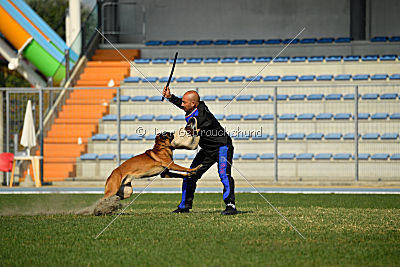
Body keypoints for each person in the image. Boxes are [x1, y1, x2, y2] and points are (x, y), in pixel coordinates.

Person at [162, 87, 237, 215]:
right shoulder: (194, 107)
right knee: (191, 174)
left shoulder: (203, 115)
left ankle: (231, 206)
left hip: (222, 147)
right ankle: (184, 206)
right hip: (207, 149)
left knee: (224, 175)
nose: (182, 104)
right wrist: (170, 97)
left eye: (185, 102)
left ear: (193, 104)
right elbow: (182, 103)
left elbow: (197, 127)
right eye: (183, 102)